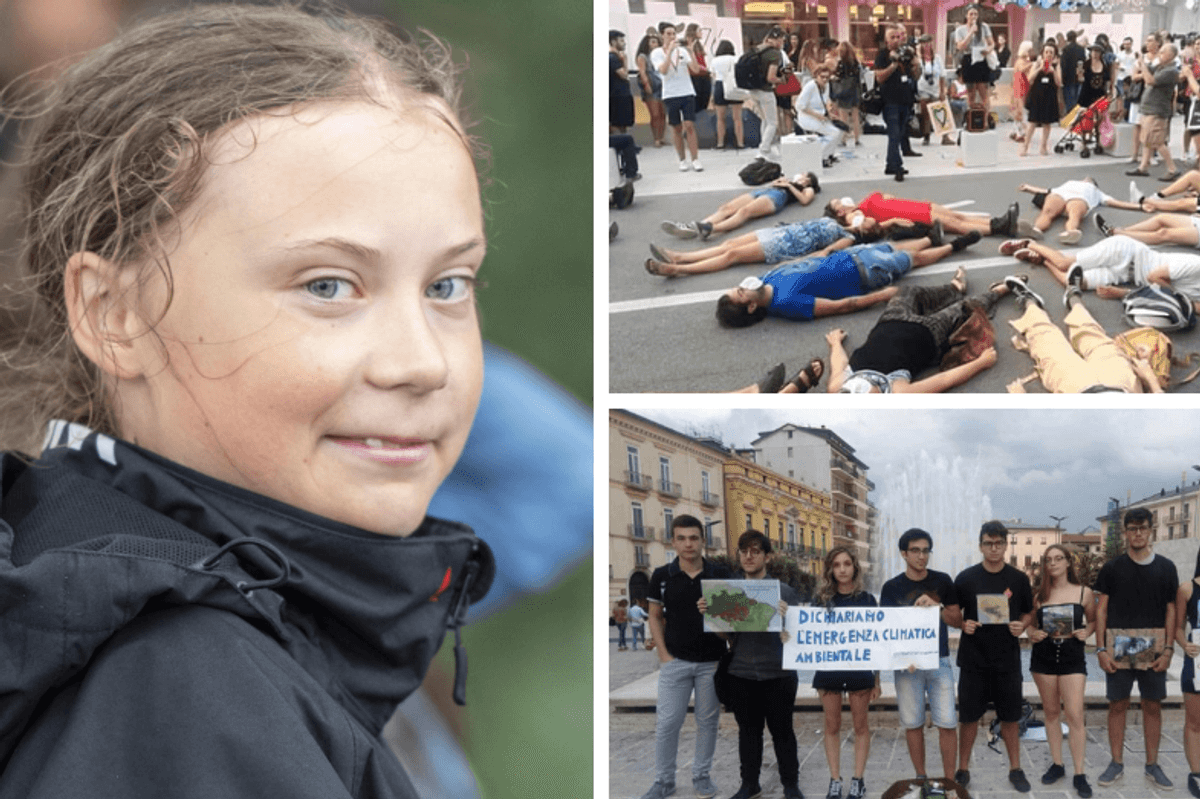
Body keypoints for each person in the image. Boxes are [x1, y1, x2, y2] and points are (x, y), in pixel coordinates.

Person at [0, 5, 501, 797]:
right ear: (112, 313)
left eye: (448, 284)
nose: (421, 362)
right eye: (328, 285)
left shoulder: (183, 632)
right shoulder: (184, 687)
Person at [704, 531, 805, 799]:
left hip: (779, 673)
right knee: (748, 734)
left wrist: (786, 620)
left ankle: (791, 785)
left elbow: (798, 637)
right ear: (739, 555)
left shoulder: (785, 592)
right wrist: (712, 617)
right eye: (744, 551)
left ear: (767, 556)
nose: (749, 556)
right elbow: (726, 636)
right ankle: (749, 784)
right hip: (741, 672)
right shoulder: (729, 591)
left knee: (783, 732)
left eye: (756, 551)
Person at [642, 515, 733, 799]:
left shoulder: (719, 575)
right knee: (668, 722)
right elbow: (654, 617)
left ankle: (701, 775)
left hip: (712, 662)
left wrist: (716, 615)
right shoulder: (661, 576)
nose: (688, 544)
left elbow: (729, 627)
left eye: (693, 538)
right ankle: (664, 780)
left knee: (707, 723)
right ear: (673, 542)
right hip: (676, 662)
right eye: (681, 538)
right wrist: (664, 655)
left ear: (702, 541)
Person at [1093, 508, 1179, 791]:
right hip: (1118, 651)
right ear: (1126, 532)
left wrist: (1168, 650)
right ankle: (1116, 762)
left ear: (1150, 530)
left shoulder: (1167, 568)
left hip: (1154, 652)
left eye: (1142, 528)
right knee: (1117, 705)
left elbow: (1171, 610)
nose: (1137, 533)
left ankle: (1152, 765)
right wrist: (1101, 651)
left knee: (1152, 706)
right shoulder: (1112, 568)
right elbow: (1101, 610)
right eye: (1132, 528)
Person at [715, 237, 982, 328]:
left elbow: (805, 261)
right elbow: (842, 306)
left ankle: (930, 237)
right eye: (741, 292)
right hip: (865, 272)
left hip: (849, 255)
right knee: (914, 259)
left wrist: (830, 250)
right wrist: (883, 295)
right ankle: (954, 246)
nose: (744, 285)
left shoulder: (767, 279)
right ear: (750, 307)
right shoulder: (786, 304)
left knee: (892, 245)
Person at [952, 521, 1035, 793]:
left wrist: (1022, 625)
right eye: (988, 543)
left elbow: (1028, 611)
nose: (994, 548)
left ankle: (1016, 768)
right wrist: (961, 624)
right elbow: (951, 612)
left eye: (999, 543)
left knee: (1010, 718)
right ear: (981, 545)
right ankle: (962, 769)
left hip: (1006, 661)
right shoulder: (965, 578)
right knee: (968, 718)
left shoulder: (1018, 579)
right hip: (974, 660)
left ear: (1005, 544)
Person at [823, 271, 1006, 394]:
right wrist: (981, 363)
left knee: (909, 291)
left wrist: (836, 343)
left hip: (891, 319)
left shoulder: (838, 387)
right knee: (965, 309)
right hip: (929, 332)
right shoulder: (897, 391)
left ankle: (954, 288)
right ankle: (998, 291)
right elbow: (943, 380)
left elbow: (840, 364)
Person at [879, 529, 962, 791]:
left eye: (926, 550)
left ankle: (949, 781)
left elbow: (957, 620)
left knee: (947, 723)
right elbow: (886, 631)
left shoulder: (943, 581)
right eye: (915, 550)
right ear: (903, 553)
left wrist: (938, 607)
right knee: (913, 723)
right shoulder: (891, 588)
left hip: (939, 661)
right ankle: (921, 777)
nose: (921, 556)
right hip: (907, 665)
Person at [1005, 280, 1165, 394]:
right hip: (1123, 387)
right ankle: (1074, 298)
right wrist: (1149, 376)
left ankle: (1029, 301)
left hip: (1078, 392)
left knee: (1049, 346)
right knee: (1096, 340)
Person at [1027, 545, 1097, 796]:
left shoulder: (1084, 593)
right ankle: (1057, 764)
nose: (1054, 563)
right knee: (1052, 713)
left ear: (1068, 562)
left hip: (1072, 659)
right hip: (1044, 658)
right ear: (1045, 566)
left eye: (1059, 559)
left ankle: (1080, 772)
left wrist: (1085, 632)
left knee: (1075, 715)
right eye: (1049, 560)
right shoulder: (1039, 596)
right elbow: (1030, 626)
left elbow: (1093, 620)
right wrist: (1032, 634)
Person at [813, 547, 880, 799]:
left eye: (846, 564)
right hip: (828, 668)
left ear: (854, 567)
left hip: (859, 668)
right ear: (830, 569)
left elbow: (877, 641)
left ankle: (858, 780)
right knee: (832, 725)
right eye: (836, 565)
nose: (842, 569)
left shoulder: (866, 599)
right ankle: (834, 779)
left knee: (861, 725)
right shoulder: (821, 599)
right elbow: (807, 634)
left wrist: (877, 678)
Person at [1002, 234, 1200, 311]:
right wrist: (1175, 298)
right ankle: (1031, 243)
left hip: (1127, 276)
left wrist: (1122, 294)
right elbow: (1154, 278)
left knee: (1071, 282)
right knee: (1063, 263)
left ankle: (1042, 259)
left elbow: (1187, 306)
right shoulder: (1196, 264)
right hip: (1125, 252)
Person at [646, 214, 866, 277]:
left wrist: (798, 262)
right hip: (779, 231)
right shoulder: (836, 219)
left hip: (785, 245)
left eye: (866, 223)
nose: (861, 220)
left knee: (732, 254)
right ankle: (680, 256)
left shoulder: (848, 236)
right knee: (729, 243)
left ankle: (678, 268)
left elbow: (826, 252)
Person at [660, 173, 819, 240]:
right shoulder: (790, 179)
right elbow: (773, 183)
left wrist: (790, 185)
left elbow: (804, 201)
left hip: (779, 197)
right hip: (767, 190)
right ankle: (692, 227)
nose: (802, 176)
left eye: (805, 176)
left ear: (809, 180)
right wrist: (781, 181)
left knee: (745, 212)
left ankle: (710, 229)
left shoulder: (807, 188)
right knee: (727, 208)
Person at [826, 192, 1024, 238]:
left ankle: (998, 221)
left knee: (957, 216)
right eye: (838, 204)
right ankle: (999, 227)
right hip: (906, 214)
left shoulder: (861, 204)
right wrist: (893, 221)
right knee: (955, 224)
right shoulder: (855, 215)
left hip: (911, 206)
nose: (842, 201)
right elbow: (860, 227)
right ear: (840, 212)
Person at [1017, 178, 1142, 244]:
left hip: (1080, 199)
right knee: (1048, 211)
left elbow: (1116, 202)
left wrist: (1140, 206)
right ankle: (1036, 230)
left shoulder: (1097, 191)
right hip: (1060, 194)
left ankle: (1071, 232)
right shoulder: (1071, 182)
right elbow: (1048, 190)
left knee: (1073, 214)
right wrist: (1029, 188)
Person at [652, 23, 704, 172]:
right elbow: (662, 70)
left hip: (687, 92)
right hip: (670, 94)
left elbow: (695, 69)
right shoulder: (656, 53)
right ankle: (682, 160)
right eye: (668, 34)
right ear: (662, 35)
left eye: (674, 33)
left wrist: (691, 52)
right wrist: (669, 52)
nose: (672, 36)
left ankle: (695, 159)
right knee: (676, 128)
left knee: (689, 126)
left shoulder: (682, 51)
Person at [1126, 42, 1180, 183]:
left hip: (1157, 110)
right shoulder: (1160, 66)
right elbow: (1143, 72)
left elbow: (1149, 80)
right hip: (1149, 109)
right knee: (1147, 140)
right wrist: (1142, 63)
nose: (1160, 54)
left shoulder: (1171, 71)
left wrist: (1142, 65)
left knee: (1157, 141)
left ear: (1171, 55)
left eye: (1163, 52)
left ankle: (1172, 169)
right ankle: (1143, 167)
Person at [875, 23, 921, 182]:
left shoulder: (906, 53)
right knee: (894, 134)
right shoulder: (883, 55)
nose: (896, 40)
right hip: (890, 101)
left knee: (899, 134)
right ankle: (898, 166)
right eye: (892, 37)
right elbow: (879, 77)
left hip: (906, 100)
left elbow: (915, 76)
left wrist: (916, 63)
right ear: (887, 41)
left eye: (898, 37)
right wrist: (894, 65)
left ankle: (890, 165)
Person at [1173, 547, 1200, 799]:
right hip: (1197, 663)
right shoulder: (1187, 589)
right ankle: (1196, 773)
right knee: (1194, 723)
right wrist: (1185, 644)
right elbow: (1178, 627)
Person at [749, 27, 787, 162]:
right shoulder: (774, 54)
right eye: (782, 40)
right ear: (776, 40)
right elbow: (770, 77)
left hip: (753, 90)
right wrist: (781, 80)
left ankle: (766, 148)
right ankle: (763, 150)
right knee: (772, 123)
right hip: (765, 91)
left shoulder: (757, 49)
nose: (783, 43)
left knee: (765, 120)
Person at [795, 64, 845, 167]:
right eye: (822, 77)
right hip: (807, 117)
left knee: (839, 131)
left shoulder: (826, 85)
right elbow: (799, 106)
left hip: (820, 116)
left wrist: (830, 114)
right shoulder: (810, 86)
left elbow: (826, 100)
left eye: (827, 77)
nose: (825, 79)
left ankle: (829, 154)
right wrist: (817, 116)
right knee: (833, 133)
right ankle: (821, 157)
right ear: (816, 76)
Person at [1020, 41, 1063, 158]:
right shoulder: (1037, 63)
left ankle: (1043, 146)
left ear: (1054, 54)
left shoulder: (1056, 65)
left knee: (1047, 123)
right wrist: (1039, 68)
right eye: (1046, 52)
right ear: (1043, 53)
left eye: (1051, 52)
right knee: (1032, 122)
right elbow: (1029, 80)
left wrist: (1053, 72)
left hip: (1050, 96)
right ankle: (1025, 146)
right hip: (1037, 95)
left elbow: (1059, 83)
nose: (1048, 54)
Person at [953, 6, 996, 121]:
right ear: (966, 15)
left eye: (975, 14)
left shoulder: (984, 27)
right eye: (971, 14)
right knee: (971, 93)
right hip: (968, 59)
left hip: (981, 59)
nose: (973, 16)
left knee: (984, 93)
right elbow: (960, 47)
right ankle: (972, 120)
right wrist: (971, 32)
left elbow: (992, 43)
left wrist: (988, 50)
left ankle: (986, 120)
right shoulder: (960, 30)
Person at [710, 40, 746, 150]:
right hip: (733, 85)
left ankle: (720, 143)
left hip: (720, 85)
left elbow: (713, 75)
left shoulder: (715, 60)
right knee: (737, 118)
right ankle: (740, 143)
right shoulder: (736, 58)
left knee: (720, 118)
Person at [915, 39, 949, 146]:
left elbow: (942, 75)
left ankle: (945, 137)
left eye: (928, 43)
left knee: (940, 112)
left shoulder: (938, 58)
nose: (926, 46)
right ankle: (926, 136)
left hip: (935, 89)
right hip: (922, 89)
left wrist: (942, 91)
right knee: (925, 114)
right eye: (924, 44)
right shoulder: (918, 59)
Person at [636, 32, 667, 147]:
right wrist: (646, 85)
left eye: (657, 42)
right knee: (655, 114)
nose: (656, 44)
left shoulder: (659, 55)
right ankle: (656, 138)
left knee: (663, 113)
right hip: (651, 84)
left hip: (661, 84)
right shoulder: (643, 56)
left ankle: (662, 137)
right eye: (653, 42)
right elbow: (642, 72)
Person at [831, 41, 863, 146]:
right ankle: (857, 139)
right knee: (855, 117)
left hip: (843, 92)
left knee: (843, 117)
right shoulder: (855, 63)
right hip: (855, 91)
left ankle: (843, 138)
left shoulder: (841, 63)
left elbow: (838, 77)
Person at [1009, 41, 1035, 140]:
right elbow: (1021, 69)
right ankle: (1019, 133)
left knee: (1019, 111)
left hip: (1023, 88)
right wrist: (1032, 64)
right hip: (1019, 88)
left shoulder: (1024, 61)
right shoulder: (1020, 61)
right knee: (1019, 111)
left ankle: (1015, 131)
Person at [610, 30, 635, 133]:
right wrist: (625, 61)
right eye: (621, 40)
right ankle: (619, 145)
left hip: (622, 94)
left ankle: (623, 144)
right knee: (617, 123)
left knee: (623, 123)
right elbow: (624, 75)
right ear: (613, 42)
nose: (624, 42)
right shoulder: (612, 58)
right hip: (617, 95)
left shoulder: (615, 57)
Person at [1076, 43, 1113, 111]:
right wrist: (1079, 75)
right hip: (1086, 95)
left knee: (1098, 117)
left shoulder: (1104, 66)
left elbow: (1107, 80)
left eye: (1097, 51)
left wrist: (1108, 92)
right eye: (1093, 51)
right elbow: (1080, 80)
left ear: (1100, 53)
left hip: (1099, 96)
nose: (1095, 53)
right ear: (1091, 52)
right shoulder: (1086, 64)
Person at [1060, 30, 1087, 111]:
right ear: (1075, 38)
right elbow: (1083, 63)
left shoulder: (1065, 50)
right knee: (1077, 100)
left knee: (1069, 101)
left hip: (1068, 78)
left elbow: (1063, 66)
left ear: (1067, 38)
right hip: (1078, 77)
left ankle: (1070, 119)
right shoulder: (1081, 49)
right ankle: (1076, 118)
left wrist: (1062, 79)